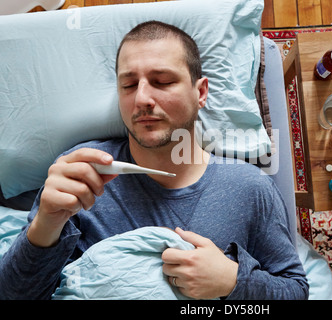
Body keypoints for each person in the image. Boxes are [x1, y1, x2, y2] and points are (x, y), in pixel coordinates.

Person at [0, 21, 308, 300]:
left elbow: (295, 290)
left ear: (200, 93)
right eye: (129, 85)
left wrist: (233, 282)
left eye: (161, 81)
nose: (142, 99)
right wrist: (45, 226)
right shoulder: (80, 172)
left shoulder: (250, 188)